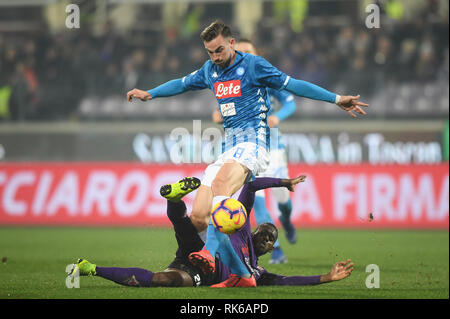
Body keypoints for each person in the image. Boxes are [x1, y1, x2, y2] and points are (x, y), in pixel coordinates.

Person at [126, 20, 368, 286]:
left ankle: (217, 258)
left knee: (221, 186)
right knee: (198, 217)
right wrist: (150, 93)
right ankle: (225, 269)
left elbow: (293, 84)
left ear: (231, 43)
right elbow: (182, 84)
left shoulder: (254, 65)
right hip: (229, 146)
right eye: (210, 52)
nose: (215, 57)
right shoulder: (210, 70)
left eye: (219, 50)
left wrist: (336, 99)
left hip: (254, 144)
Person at [69, 176, 354, 288]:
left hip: (196, 273)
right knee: (187, 226)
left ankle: (90, 268)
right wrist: (282, 182)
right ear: (253, 228)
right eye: (264, 232)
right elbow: (252, 186)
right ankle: (173, 198)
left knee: (157, 280)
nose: (266, 239)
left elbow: (289, 280)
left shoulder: (257, 271)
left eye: (271, 239)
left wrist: (326, 278)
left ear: (271, 248)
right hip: (200, 250)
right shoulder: (239, 225)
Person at [212, 39, 298, 264]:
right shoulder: (232, 82)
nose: (244, 54)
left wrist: (278, 117)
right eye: (241, 51)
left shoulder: (266, 78)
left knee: (284, 202)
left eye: (249, 50)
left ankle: (287, 221)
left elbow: (291, 103)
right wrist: (220, 116)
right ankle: (276, 249)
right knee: (256, 199)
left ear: (257, 53)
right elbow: (229, 110)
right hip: (249, 150)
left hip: (274, 149)